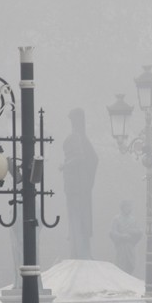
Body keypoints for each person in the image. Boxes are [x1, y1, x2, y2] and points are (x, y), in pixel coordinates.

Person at [60, 107, 98, 259]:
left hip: (77, 186)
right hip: (77, 185)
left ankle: (78, 250)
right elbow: (91, 159)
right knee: (78, 216)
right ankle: (77, 249)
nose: (71, 123)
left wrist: (66, 165)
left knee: (77, 216)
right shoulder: (80, 137)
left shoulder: (78, 138)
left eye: (73, 120)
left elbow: (86, 159)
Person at [109, 200, 143, 275]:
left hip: (130, 246)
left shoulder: (133, 219)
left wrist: (133, 232)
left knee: (130, 265)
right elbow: (112, 232)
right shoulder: (117, 219)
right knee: (121, 264)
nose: (129, 208)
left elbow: (139, 231)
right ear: (122, 207)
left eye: (130, 206)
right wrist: (122, 236)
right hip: (121, 246)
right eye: (127, 206)